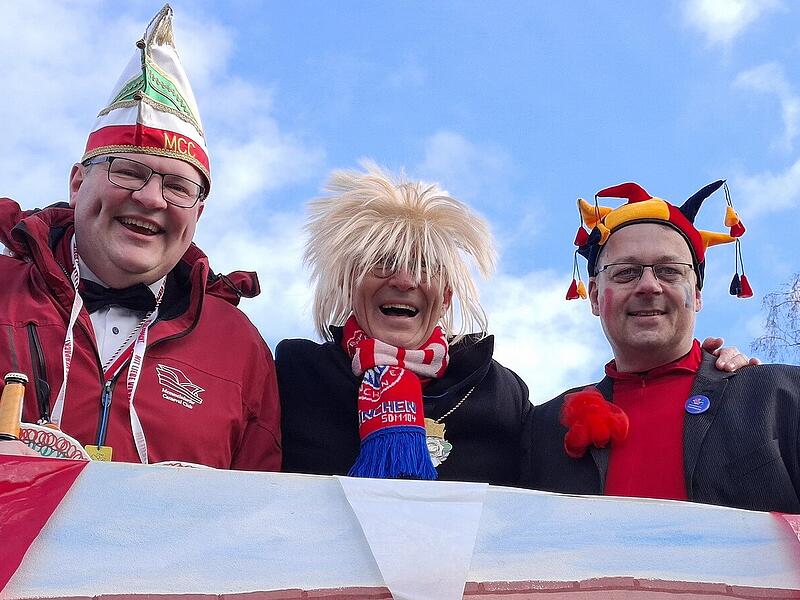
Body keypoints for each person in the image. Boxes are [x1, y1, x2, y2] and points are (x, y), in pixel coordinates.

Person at [0, 5, 280, 469]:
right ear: (77, 183)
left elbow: (263, 516)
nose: (152, 199)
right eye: (128, 171)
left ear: (199, 213)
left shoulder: (241, 346)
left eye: (178, 187)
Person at [521, 180, 798, 513]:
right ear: (594, 296)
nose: (649, 286)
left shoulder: (779, 396)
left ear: (696, 295)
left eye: (669, 271)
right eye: (625, 273)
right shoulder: (544, 428)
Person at [277, 162, 531, 485]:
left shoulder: (499, 394)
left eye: (424, 267)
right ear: (347, 283)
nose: (404, 280)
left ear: (446, 296)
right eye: (382, 263)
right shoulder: (298, 377)